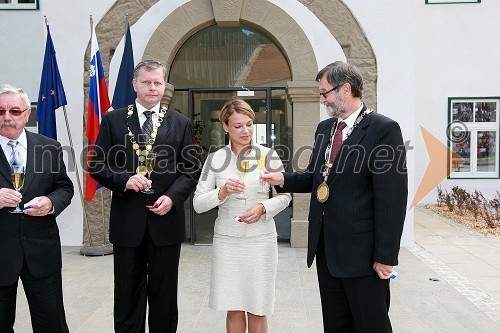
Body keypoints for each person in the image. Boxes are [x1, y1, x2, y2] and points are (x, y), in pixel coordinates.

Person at [261, 61, 408, 333]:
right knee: (336, 324)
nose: (322, 99)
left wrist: (385, 255)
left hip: (363, 253)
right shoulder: (325, 129)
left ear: (346, 89)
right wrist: (283, 179)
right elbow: (318, 178)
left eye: (325, 92)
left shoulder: (383, 130)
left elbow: (392, 199)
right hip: (326, 249)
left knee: (370, 324)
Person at [88, 60, 200, 332]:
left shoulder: (180, 122)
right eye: (147, 82)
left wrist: (172, 198)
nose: (152, 87)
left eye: (158, 83)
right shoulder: (113, 120)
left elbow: (191, 171)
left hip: (166, 223)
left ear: (164, 86)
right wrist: (125, 180)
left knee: (164, 298)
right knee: (127, 297)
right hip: (127, 223)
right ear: (134, 84)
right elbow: (96, 166)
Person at [193, 98, 291, 333]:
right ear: (225, 127)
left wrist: (263, 208)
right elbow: (198, 204)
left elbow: (285, 196)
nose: (246, 131)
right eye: (238, 126)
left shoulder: (268, 155)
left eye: (249, 124)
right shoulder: (215, 159)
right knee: (234, 306)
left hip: (261, 241)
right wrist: (222, 191)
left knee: (258, 306)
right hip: (227, 242)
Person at [0, 84, 74, 332]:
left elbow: (65, 187)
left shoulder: (49, 147)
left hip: (41, 252)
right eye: (0, 111)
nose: (7, 117)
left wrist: (51, 203)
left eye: (14, 111)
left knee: (51, 324)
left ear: (27, 114)